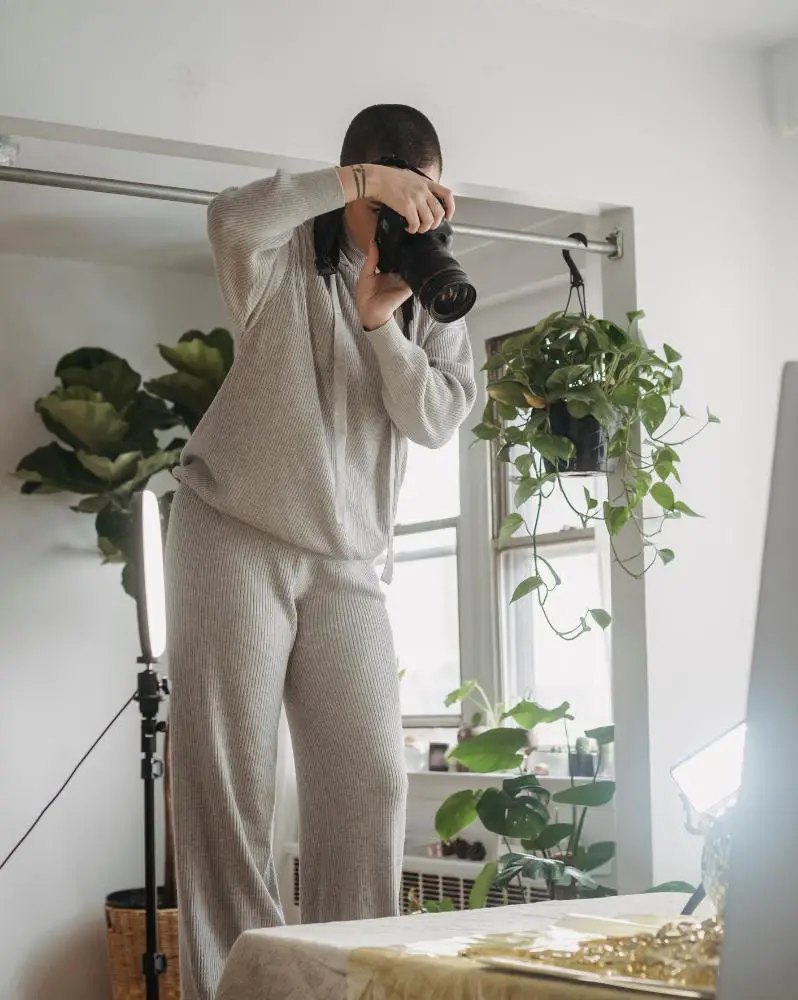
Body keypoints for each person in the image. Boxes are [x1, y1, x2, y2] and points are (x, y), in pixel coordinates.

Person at [165, 104, 477, 1000]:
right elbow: (229, 216)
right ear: (356, 185)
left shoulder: (432, 282)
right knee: (231, 799)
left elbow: (437, 418)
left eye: (426, 196)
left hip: (347, 564)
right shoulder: (281, 264)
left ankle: (349, 988)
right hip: (234, 535)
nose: (410, 218)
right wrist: (360, 187)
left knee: (371, 785)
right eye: (393, 196)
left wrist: (384, 328)